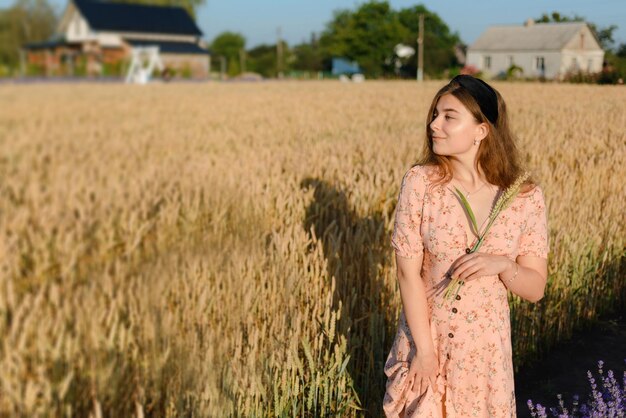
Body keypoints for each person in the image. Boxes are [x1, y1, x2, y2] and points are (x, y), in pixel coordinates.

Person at [383, 75, 549, 417]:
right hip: (426, 343)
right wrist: (425, 352)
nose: (434, 125)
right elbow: (406, 273)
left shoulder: (524, 198)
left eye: (448, 116)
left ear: (481, 131)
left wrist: (504, 265)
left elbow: (535, 289)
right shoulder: (421, 183)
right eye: (434, 114)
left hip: (484, 356)